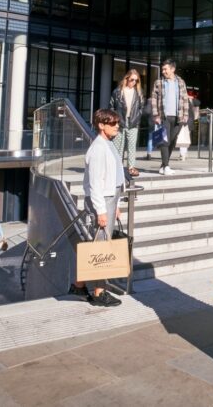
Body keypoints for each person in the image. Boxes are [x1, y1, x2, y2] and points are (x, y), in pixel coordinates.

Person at [70, 108, 124, 307]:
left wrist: (116, 204)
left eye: (117, 123)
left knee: (97, 245)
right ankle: (99, 293)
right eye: (112, 123)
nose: (117, 126)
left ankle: (78, 285)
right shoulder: (98, 149)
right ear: (101, 125)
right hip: (102, 202)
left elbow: (114, 177)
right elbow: (94, 184)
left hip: (110, 200)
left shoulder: (108, 144)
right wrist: (101, 210)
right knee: (102, 248)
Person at [150, 58, 190, 175]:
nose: (163, 71)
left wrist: (186, 115)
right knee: (165, 142)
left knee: (172, 141)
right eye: (162, 69)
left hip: (179, 117)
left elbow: (185, 98)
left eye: (165, 69)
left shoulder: (181, 82)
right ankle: (166, 166)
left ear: (173, 69)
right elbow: (154, 99)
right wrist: (156, 115)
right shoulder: (159, 82)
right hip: (164, 117)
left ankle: (163, 166)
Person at [109, 69, 144, 180]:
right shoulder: (117, 91)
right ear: (126, 79)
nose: (134, 82)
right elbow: (111, 106)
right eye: (132, 80)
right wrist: (115, 120)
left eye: (136, 81)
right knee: (118, 145)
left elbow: (141, 107)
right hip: (119, 122)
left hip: (133, 122)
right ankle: (117, 167)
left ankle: (131, 167)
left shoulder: (138, 92)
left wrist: (137, 118)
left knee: (131, 146)